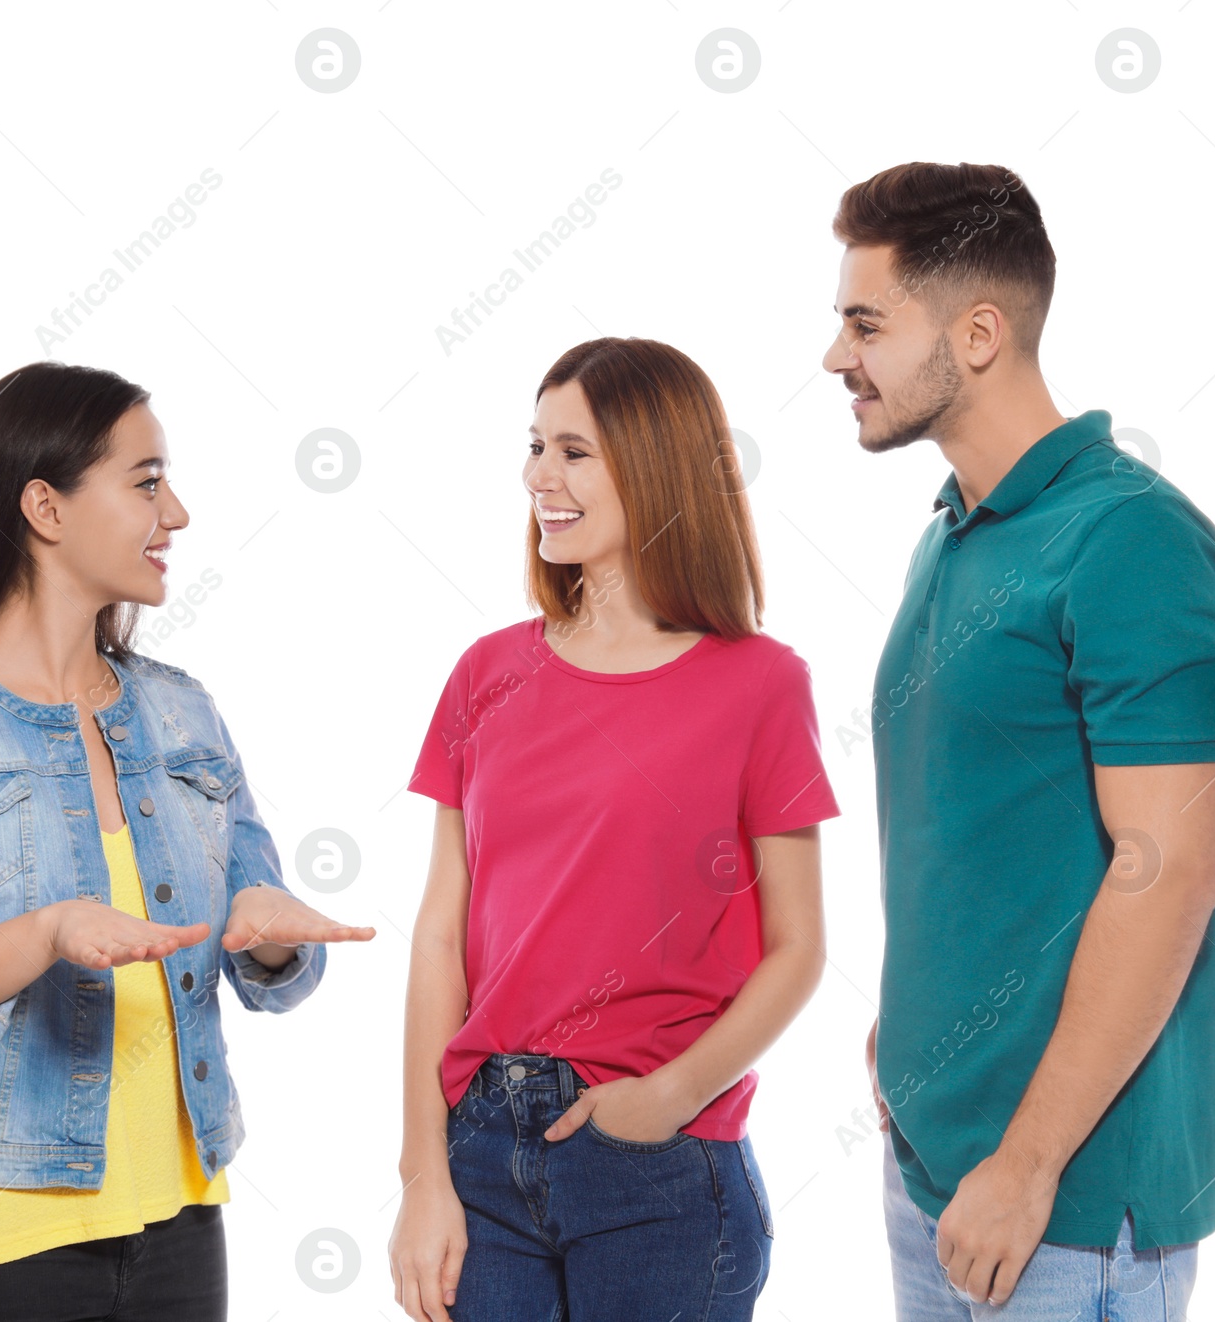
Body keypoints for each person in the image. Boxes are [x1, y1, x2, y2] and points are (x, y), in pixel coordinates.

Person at [0, 361, 376, 1319]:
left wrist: (270, 930)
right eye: (147, 481)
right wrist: (36, 939)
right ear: (46, 506)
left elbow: (265, 965)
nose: (179, 513)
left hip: (181, 1233)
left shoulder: (185, 713)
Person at [822, 162, 1215, 1319]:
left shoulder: (1130, 545)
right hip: (935, 1168)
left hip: (1056, 1204)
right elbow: (983, 824)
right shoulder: (955, 535)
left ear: (976, 333)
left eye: (864, 322)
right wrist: (916, 1022)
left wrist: (1023, 1162)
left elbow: (1166, 876)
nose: (834, 356)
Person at [387, 337, 841, 1320]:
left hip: (661, 1169)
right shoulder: (486, 672)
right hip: (482, 1151)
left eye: (572, 451)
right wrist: (423, 1171)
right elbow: (438, 932)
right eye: (534, 446)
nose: (536, 476)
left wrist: (668, 1096)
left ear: (655, 463)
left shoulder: (760, 683)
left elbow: (799, 948)